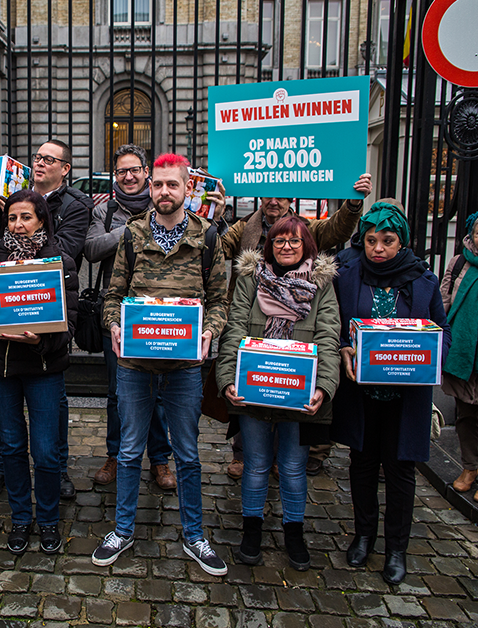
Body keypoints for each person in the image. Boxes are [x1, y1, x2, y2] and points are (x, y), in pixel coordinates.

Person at [92, 153, 229, 576]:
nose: (165, 192)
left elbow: (220, 301)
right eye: (159, 185)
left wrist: (210, 332)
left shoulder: (207, 238)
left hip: (185, 366)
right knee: (131, 449)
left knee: (187, 453)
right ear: (151, 187)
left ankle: (194, 535)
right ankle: (123, 528)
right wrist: (114, 326)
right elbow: (112, 297)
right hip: (135, 362)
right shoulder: (131, 236)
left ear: (188, 188)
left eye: (174, 184)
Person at [0, 140, 93, 501]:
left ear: (65, 167)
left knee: (50, 415)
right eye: (37, 158)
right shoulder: (11, 200)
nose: (40, 163)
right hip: (3, 329)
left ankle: (56, 469)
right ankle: (1, 467)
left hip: (42, 328)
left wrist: (14, 260)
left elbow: (63, 256)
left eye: (49, 159)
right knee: (6, 415)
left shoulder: (76, 205)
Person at [215, 175, 373, 480]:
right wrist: (216, 217)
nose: (274, 201)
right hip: (253, 321)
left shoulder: (304, 228)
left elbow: (335, 229)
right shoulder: (245, 226)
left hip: (296, 328)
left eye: (281, 195)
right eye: (268, 195)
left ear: (291, 198)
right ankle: (244, 454)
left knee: (287, 391)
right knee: (251, 387)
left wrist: (353, 204)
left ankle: (279, 457)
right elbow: (217, 248)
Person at [331, 202, 451, 585]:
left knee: (400, 471)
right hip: (362, 393)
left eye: (387, 240)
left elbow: (442, 332)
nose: (378, 248)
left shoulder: (423, 280)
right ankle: (364, 535)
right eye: (370, 240)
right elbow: (335, 325)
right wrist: (343, 347)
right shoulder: (348, 276)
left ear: (402, 242)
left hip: (406, 394)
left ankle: (396, 547)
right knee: (362, 464)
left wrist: (429, 355)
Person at [216, 216, 340, 570]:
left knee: (292, 466)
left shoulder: (321, 285)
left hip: (299, 395)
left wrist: (324, 387)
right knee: (255, 465)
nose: (286, 246)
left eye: (295, 241)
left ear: (307, 246)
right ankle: (251, 530)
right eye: (279, 240)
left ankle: (294, 532)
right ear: (269, 244)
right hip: (253, 393)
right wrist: (227, 380)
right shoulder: (250, 280)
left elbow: (329, 337)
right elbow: (234, 330)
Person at [0, 189, 78, 554]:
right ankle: (20, 517)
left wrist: (39, 342)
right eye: (12, 217)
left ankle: (46, 519)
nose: (18, 224)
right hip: (2, 369)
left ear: (41, 219)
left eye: (26, 217)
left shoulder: (60, 260)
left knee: (45, 452)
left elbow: (69, 326)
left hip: (43, 367)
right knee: (11, 446)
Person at [83, 144, 176, 489]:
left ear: (146, 171)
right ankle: (115, 453)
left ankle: (161, 460)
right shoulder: (104, 211)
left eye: (134, 169)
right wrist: (134, 229)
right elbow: (91, 250)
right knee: (117, 392)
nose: (129, 176)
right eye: (121, 171)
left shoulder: (165, 203)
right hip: (117, 314)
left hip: (160, 314)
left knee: (159, 390)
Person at [440, 211, 478, 496]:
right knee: (466, 413)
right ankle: (470, 465)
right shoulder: (460, 262)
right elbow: (444, 300)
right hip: (465, 351)